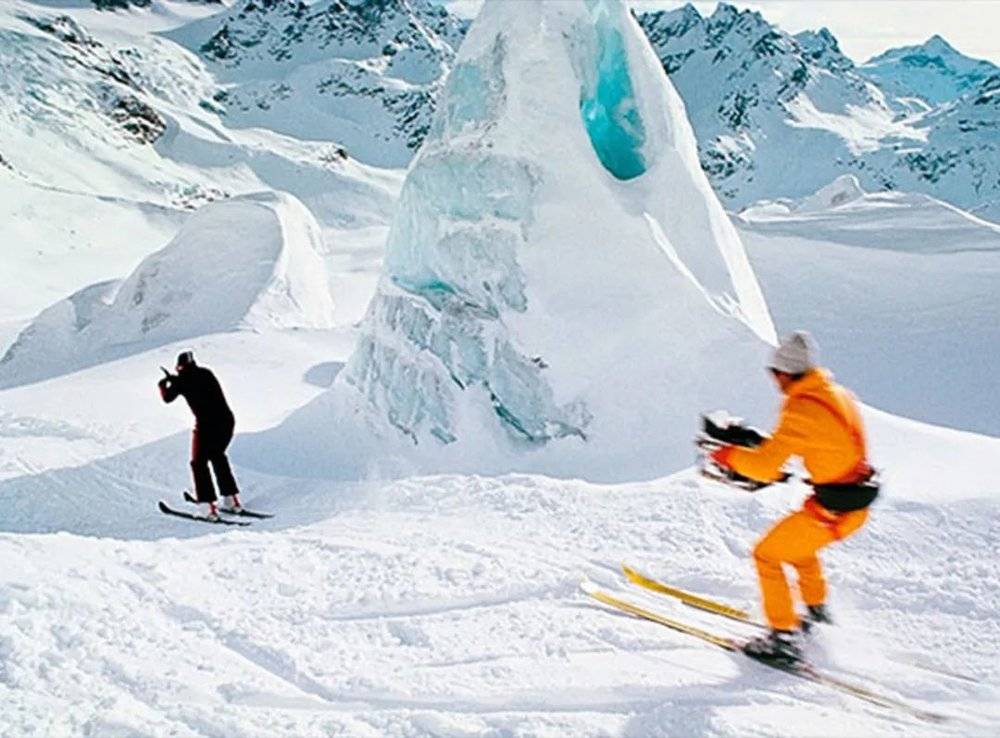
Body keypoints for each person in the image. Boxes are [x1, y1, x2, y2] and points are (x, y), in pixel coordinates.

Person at [709, 331, 878, 664]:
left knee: (766, 555)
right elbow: (815, 441)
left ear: (786, 373)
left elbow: (764, 468)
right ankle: (817, 613)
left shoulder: (801, 409)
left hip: (835, 508)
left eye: (774, 373)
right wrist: (760, 442)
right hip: (850, 503)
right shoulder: (836, 394)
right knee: (799, 549)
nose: (773, 380)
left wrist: (727, 456)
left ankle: (783, 639)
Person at [158, 351, 243, 520]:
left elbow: (167, 398)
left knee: (198, 463)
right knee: (218, 456)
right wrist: (178, 380)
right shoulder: (206, 373)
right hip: (226, 421)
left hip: (206, 426)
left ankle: (207, 507)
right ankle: (231, 500)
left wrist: (164, 384)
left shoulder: (181, 381)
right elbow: (195, 383)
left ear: (180, 367)